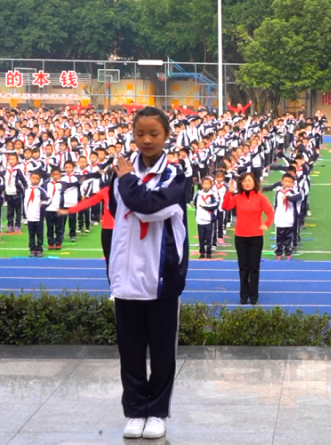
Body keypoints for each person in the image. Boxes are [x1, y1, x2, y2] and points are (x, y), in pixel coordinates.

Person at [107, 106, 189, 440]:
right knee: (129, 348)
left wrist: (128, 181)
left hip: (161, 277)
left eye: (154, 133)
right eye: (140, 133)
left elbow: (150, 207)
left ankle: (156, 410)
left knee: (161, 348)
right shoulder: (121, 173)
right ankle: (135, 410)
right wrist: (110, 265)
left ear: (167, 136)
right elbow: (118, 214)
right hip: (126, 276)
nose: (146, 140)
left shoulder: (176, 174)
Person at [222, 171, 274, 305]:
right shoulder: (237, 197)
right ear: (241, 183)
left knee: (254, 267)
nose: (247, 183)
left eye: (249, 180)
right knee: (243, 267)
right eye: (244, 181)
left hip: (256, 237)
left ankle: (254, 295)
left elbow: (270, 212)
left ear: (254, 182)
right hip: (241, 237)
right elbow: (225, 207)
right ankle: (243, 295)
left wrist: (266, 224)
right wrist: (229, 192)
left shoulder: (260, 197)